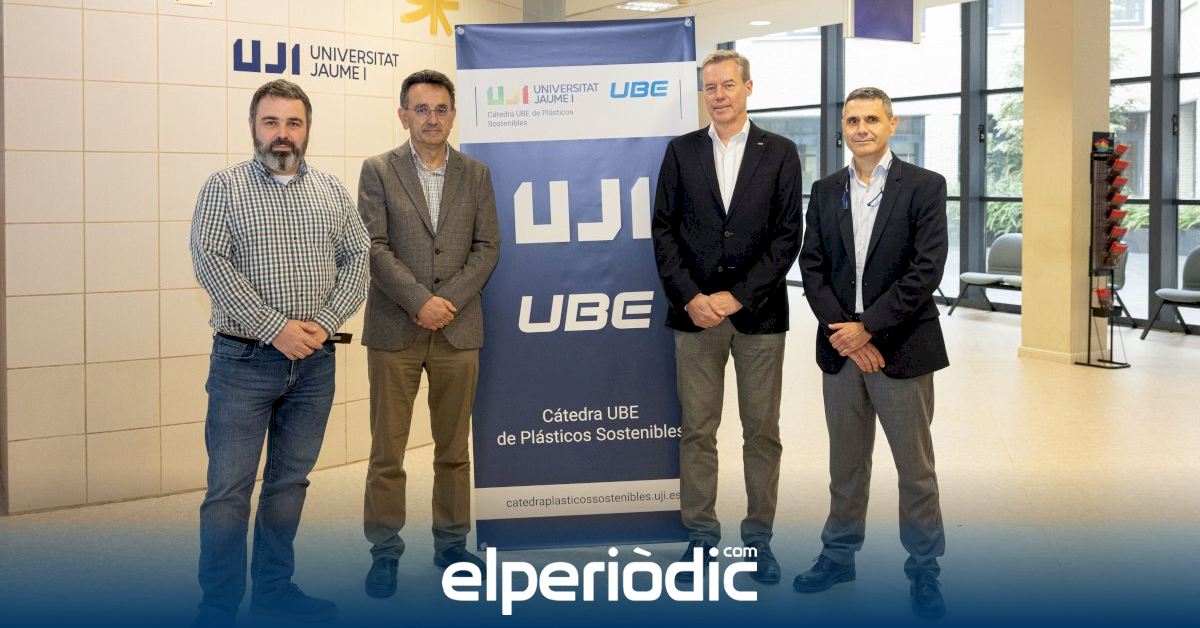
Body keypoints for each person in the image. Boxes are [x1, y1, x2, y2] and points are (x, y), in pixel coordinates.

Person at [190, 79, 370, 625]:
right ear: (253, 126)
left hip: (314, 365)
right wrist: (276, 329)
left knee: (289, 483)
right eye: (271, 122)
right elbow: (211, 263)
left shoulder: (331, 190)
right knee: (229, 491)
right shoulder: (224, 188)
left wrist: (324, 322)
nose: (282, 133)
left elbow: (359, 259)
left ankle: (273, 590)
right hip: (243, 363)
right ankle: (218, 607)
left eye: (293, 122)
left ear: (307, 128)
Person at [794, 86, 949, 619]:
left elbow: (926, 270)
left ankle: (924, 569)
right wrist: (845, 332)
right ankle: (838, 556)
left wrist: (869, 330)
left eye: (871, 120)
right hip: (841, 348)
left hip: (900, 347)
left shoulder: (924, 186)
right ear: (843, 127)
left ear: (891, 124)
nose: (861, 129)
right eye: (852, 120)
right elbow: (811, 266)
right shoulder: (825, 190)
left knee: (915, 469)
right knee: (846, 464)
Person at [651, 50, 803, 584]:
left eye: (728, 85)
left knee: (762, 432)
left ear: (748, 88)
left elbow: (787, 236)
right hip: (694, 317)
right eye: (710, 87)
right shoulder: (681, 151)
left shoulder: (780, 152)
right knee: (698, 431)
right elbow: (663, 231)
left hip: (759, 316)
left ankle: (758, 540)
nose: (718, 95)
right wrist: (691, 297)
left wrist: (737, 297)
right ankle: (701, 539)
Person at [357, 69, 500, 598]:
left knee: (454, 449)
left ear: (453, 115)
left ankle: (451, 544)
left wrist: (447, 303)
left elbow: (487, 248)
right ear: (404, 116)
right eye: (421, 109)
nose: (432, 119)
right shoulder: (378, 170)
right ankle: (384, 551)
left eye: (441, 109)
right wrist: (420, 301)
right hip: (395, 328)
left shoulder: (476, 174)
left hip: (458, 330)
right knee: (387, 453)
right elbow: (373, 247)